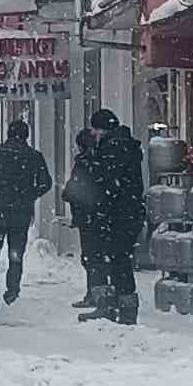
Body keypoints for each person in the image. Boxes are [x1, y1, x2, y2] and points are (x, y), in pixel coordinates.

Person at [79, 108, 145, 325]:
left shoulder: (112, 148)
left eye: (95, 130)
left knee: (115, 260)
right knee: (119, 259)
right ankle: (121, 305)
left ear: (101, 130)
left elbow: (107, 183)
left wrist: (99, 207)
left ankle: (119, 308)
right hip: (128, 213)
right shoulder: (126, 146)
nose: (93, 134)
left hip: (117, 214)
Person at [0, 118, 54, 310]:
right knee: (16, 253)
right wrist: (30, 194)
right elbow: (46, 183)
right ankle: (12, 289)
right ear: (26, 135)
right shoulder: (33, 156)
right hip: (21, 213)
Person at [61, 128, 104, 308]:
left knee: (91, 257)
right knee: (98, 256)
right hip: (100, 216)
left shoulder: (83, 163)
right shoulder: (102, 161)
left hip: (87, 217)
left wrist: (69, 193)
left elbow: (73, 190)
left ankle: (95, 293)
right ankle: (100, 292)